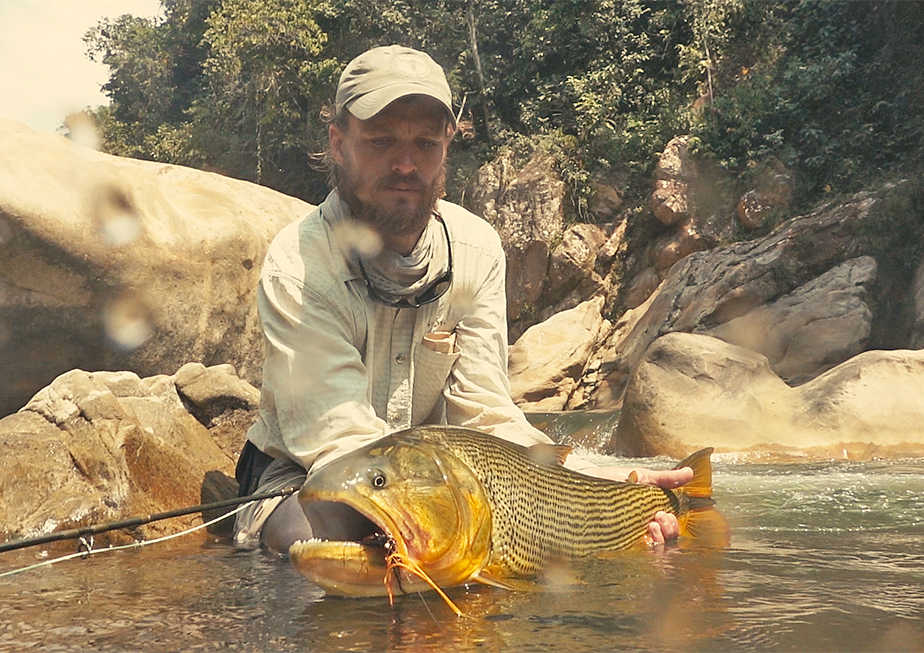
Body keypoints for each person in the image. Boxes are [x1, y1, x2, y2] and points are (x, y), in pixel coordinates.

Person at [234, 45, 692, 554]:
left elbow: (485, 416)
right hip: (308, 472)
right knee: (328, 545)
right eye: (381, 141)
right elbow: (335, 442)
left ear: (447, 147)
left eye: (426, 144)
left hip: (436, 479)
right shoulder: (299, 264)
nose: (405, 164)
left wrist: (606, 482)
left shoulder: (476, 250)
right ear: (338, 144)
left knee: (540, 549)